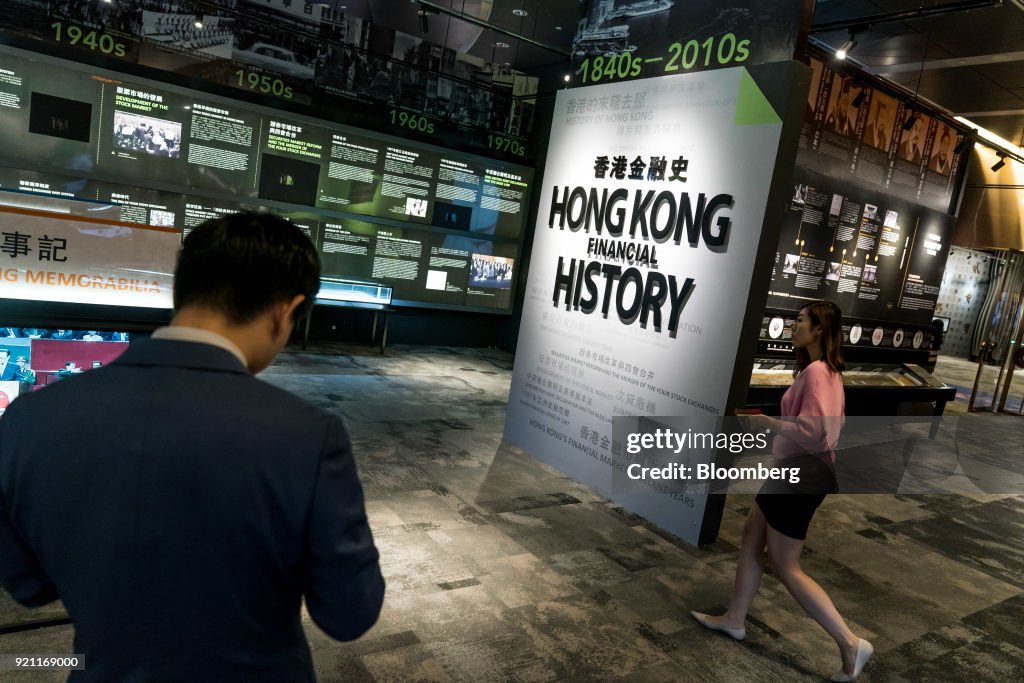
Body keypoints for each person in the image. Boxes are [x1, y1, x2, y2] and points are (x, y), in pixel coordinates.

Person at [0, 212, 385, 681]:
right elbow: (349, 613)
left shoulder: (27, 421)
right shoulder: (308, 435)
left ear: (182, 290)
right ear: (287, 311)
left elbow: (31, 587)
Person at [691, 301, 873, 681]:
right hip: (797, 472)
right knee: (750, 537)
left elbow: (815, 432)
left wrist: (768, 424)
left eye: (801, 320)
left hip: (801, 475)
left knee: (786, 566)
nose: (794, 325)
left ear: (819, 329)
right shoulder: (824, 371)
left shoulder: (819, 374)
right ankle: (735, 618)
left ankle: (850, 642)